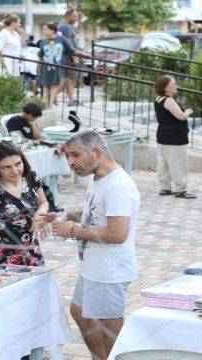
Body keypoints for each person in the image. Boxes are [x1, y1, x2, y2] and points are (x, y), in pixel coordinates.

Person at [38, 130, 140, 360]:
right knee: (81, 312)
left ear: (97, 152)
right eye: (68, 156)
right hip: (95, 266)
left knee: (109, 327)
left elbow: (117, 233)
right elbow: (96, 214)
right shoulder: (99, 178)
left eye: (75, 155)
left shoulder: (117, 186)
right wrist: (65, 216)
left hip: (109, 270)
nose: (71, 162)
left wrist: (73, 231)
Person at [154, 75, 196, 199]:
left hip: (163, 135)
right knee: (178, 163)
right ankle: (181, 190)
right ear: (166, 87)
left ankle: (165, 188)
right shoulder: (169, 100)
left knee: (163, 163)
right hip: (175, 137)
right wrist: (188, 111)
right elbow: (181, 116)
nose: (176, 86)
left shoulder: (159, 99)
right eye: (174, 84)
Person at [38, 22, 85, 108]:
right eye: (43, 29)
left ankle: (50, 105)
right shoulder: (43, 41)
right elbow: (40, 54)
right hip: (45, 66)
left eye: (46, 29)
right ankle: (45, 104)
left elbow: (70, 50)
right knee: (46, 87)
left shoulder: (61, 39)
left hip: (57, 67)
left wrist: (82, 54)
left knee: (54, 86)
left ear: (52, 30)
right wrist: (38, 66)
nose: (43, 31)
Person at [58, 8, 81, 107]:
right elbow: (68, 42)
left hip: (68, 55)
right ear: (68, 16)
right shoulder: (65, 26)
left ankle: (71, 100)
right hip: (68, 55)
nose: (77, 18)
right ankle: (52, 95)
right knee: (70, 78)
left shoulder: (66, 26)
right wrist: (74, 57)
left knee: (70, 79)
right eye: (75, 16)